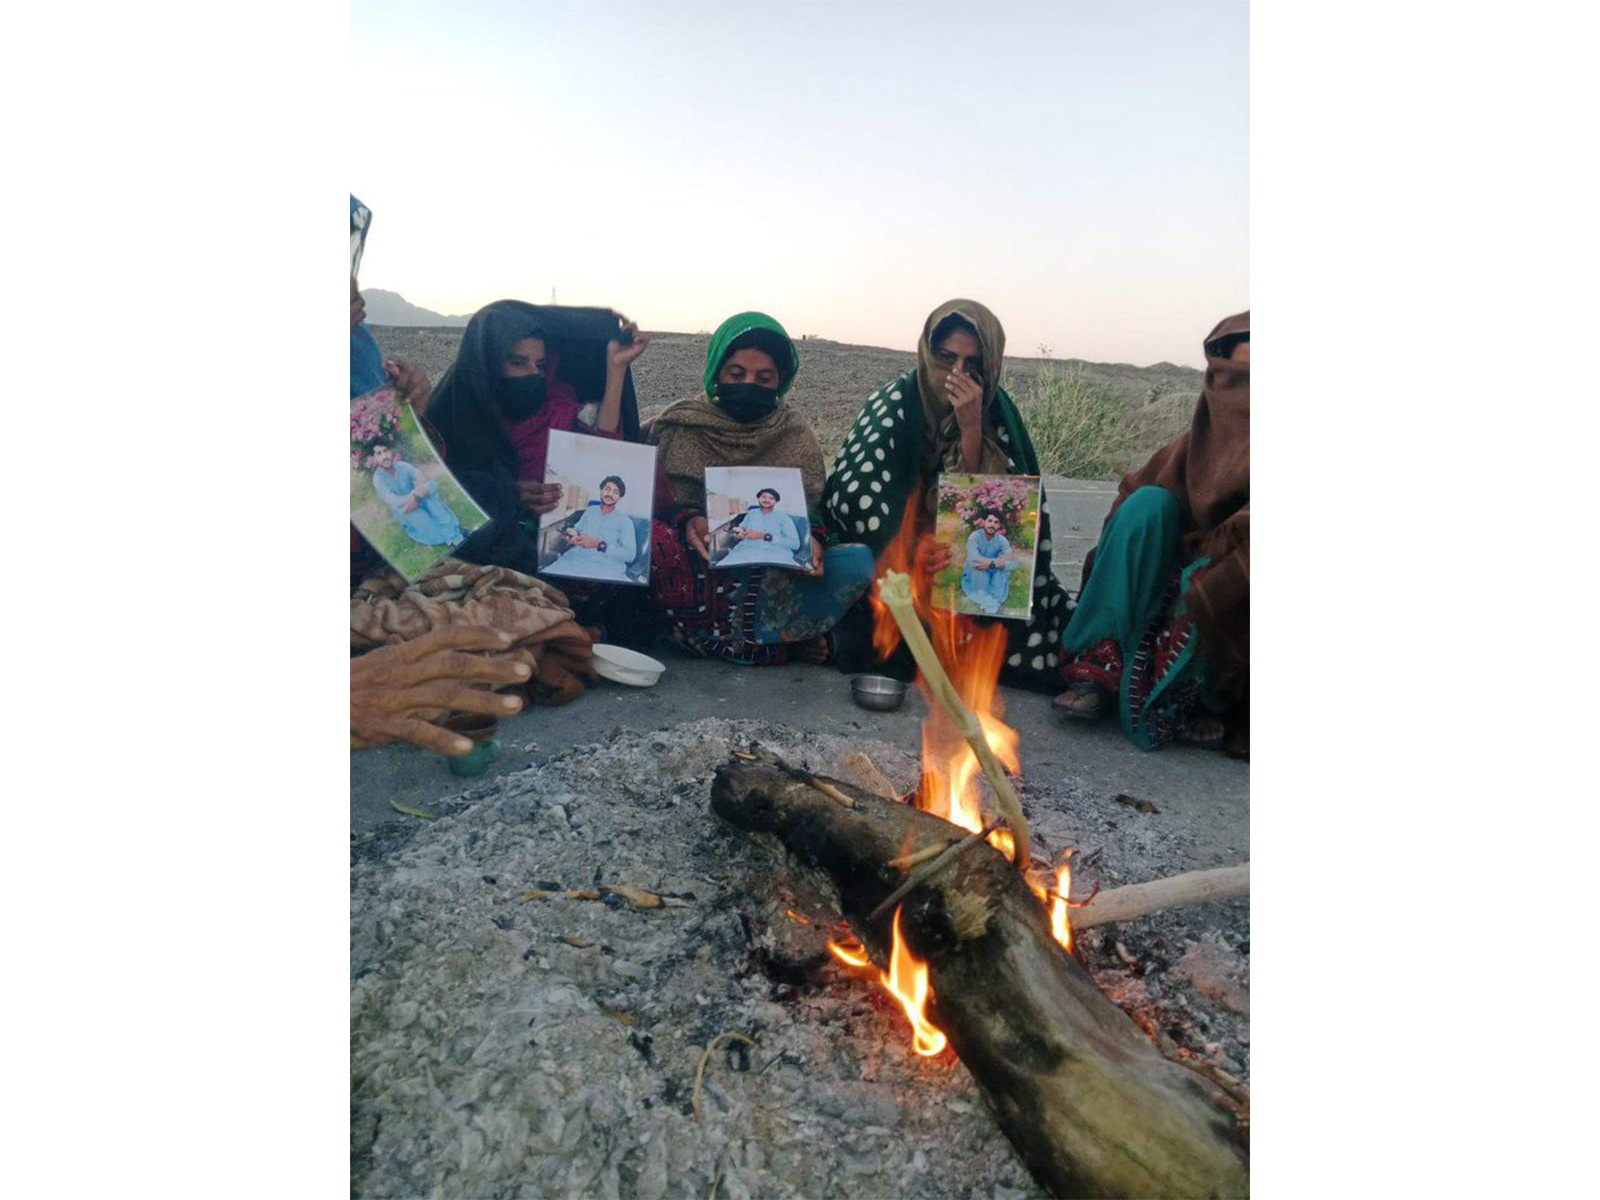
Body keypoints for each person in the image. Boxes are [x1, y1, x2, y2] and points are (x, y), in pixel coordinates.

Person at [821, 299, 1072, 687]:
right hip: (897, 562)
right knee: (878, 629)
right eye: (946, 357)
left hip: (960, 558)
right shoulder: (892, 405)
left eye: (972, 364)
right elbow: (857, 498)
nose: (957, 374)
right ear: (928, 353)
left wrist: (971, 428)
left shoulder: (998, 413)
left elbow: (998, 506)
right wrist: (911, 548)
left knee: (1008, 613)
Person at [1055, 312, 1250, 754]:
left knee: (1230, 569)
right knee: (1145, 503)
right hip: (1166, 583)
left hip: (1229, 607)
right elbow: (1130, 503)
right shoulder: (1191, 445)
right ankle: (1097, 667)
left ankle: (1203, 698)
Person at [649, 312, 874, 664]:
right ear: (716, 373)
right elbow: (665, 499)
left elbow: (810, 508)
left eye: (763, 377)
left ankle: (744, 638)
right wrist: (690, 519)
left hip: (772, 567)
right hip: (701, 564)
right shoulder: (685, 424)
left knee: (856, 561)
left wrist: (811, 539)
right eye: (736, 375)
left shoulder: (794, 434)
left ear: (780, 381)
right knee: (657, 543)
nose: (749, 384)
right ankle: (775, 642)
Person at [543, 475, 637, 581]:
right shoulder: (590, 511)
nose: (610, 494)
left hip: (606, 568)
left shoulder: (625, 521)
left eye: (616, 492)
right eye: (607, 489)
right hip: (576, 560)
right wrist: (572, 534)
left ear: (619, 498)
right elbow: (578, 529)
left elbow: (630, 555)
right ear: (601, 490)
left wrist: (599, 545)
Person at [368, 444, 464, 546]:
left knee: (430, 486)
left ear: (391, 452)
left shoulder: (402, 465)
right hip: (407, 510)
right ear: (374, 459)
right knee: (433, 533)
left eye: (386, 451)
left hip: (419, 499)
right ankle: (451, 535)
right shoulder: (378, 479)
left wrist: (417, 496)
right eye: (379, 453)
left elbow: (420, 477)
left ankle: (454, 536)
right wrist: (417, 494)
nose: (384, 456)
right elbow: (395, 502)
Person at [716, 487, 802, 567]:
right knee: (722, 566)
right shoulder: (752, 513)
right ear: (758, 499)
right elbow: (742, 527)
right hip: (746, 551)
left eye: (771, 498)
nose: (767, 500)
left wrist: (765, 536)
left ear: (776, 502)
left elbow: (795, 544)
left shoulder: (784, 518)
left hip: (775, 553)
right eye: (764, 497)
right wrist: (739, 532)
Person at [960, 508, 1016, 615]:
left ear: (999, 526)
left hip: (993, 569)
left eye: (996, 522)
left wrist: (992, 564)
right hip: (977, 571)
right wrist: (998, 561)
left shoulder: (1002, 540)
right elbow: (974, 560)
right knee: (979, 569)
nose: (992, 525)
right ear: (984, 522)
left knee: (1002, 570)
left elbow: (1012, 562)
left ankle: (993, 598)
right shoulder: (974, 537)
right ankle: (989, 602)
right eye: (989, 521)